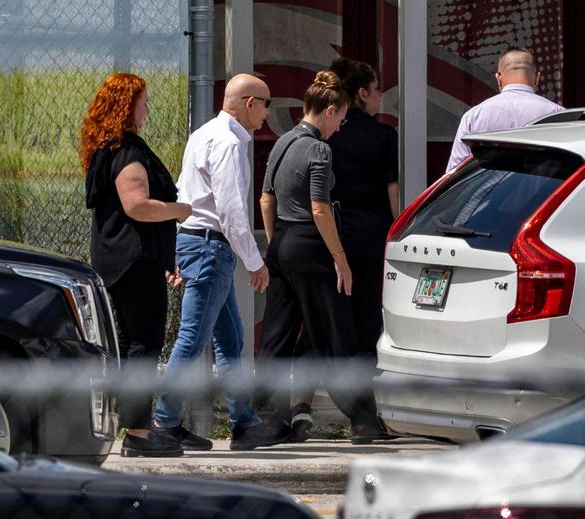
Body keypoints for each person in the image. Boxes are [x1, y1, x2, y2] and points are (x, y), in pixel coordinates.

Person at [152, 73, 284, 452]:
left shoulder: (204, 134)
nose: (268, 112)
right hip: (211, 248)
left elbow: (186, 193)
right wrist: (255, 262)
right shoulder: (227, 143)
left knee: (230, 339)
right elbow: (229, 212)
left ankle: (244, 422)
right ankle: (164, 419)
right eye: (266, 103)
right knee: (193, 337)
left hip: (202, 245)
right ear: (248, 103)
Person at [258, 70, 387, 445]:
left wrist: (277, 244)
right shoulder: (318, 148)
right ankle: (363, 421)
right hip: (312, 247)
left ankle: (265, 420)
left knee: (276, 338)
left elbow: (267, 199)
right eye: (341, 117)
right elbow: (319, 208)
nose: (341, 126)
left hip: (282, 242)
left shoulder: (282, 141)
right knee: (335, 333)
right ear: (330, 111)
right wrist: (340, 258)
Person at [80, 73, 192, 458]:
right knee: (145, 345)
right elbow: (137, 206)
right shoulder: (127, 152)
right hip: (134, 260)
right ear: (127, 106)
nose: (148, 108)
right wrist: (179, 211)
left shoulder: (105, 150)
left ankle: (129, 426)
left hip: (115, 259)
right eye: (144, 101)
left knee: (128, 346)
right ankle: (140, 434)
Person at [446, 47, 562, 172]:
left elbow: (455, 171)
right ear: (537, 77)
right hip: (549, 191)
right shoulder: (558, 114)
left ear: (498, 78)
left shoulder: (473, 116)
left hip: (492, 191)